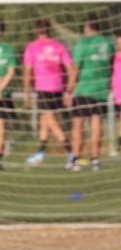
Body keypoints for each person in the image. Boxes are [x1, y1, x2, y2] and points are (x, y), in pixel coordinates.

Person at [22, 17, 73, 168]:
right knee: (45, 119)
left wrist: (26, 91)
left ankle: (71, 153)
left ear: (36, 30)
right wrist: (68, 90)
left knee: (50, 120)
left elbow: (28, 71)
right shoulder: (59, 46)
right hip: (58, 88)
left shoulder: (32, 47)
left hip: (43, 88)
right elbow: (70, 69)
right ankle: (40, 153)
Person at [69, 15, 115, 172]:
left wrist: (69, 89)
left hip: (84, 88)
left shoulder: (84, 43)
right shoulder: (108, 43)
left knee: (78, 123)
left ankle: (75, 159)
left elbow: (75, 68)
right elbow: (111, 65)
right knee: (97, 123)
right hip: (101, 89)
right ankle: (95, 159)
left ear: (87, 27)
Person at [0, 19, 17, 171]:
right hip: (3, 93)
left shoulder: (8, 49)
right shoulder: (8, 49)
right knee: (1, 127)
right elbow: (11, 72)